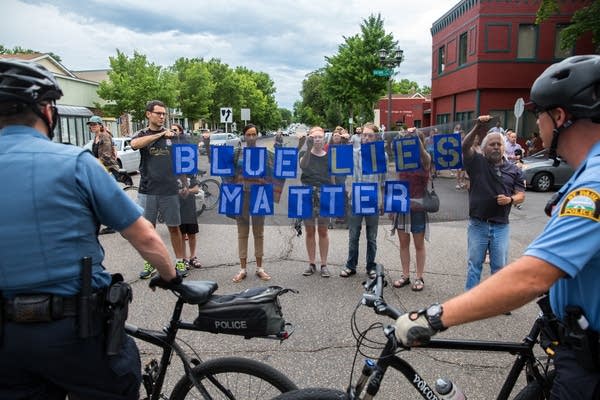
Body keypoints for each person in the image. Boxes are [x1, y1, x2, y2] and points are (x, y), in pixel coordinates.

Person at [394, 54, 600, 399]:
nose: (538, 126)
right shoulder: (585, 173)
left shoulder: (593, 185)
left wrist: (430, 318)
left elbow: (533, 275)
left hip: (588, 366)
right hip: (571, 342)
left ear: (560, 116)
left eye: (540, 115)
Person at [0, 59, 179, 399]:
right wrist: (170, 276)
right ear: (48, 112)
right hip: (74, 330)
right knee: (116, 384)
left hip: (6, 339)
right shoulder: (75, 163)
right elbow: (143, 234)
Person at [460, 118, 525, 290]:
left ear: (504, 147)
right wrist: (477, 127)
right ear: (483, 147)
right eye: (492, 144)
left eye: (499, 144)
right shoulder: (477, 163)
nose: (496, 147)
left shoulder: (514, 170)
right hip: (478, 224)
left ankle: (497, 301)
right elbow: (465, 147)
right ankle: (470, 302)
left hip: (501, 226)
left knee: (499, 268)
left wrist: (510, 199)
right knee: (474, 266)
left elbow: (521, 195)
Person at [131, 100, 189, 279]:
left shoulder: (173, 137)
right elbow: (135, 144)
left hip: (169, 189)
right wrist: (161, 134)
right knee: (148, 230)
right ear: (148, 114)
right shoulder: (142, 134)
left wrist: (185, 184)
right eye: (158, 113)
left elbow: (181, 162)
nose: (162, 116)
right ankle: (150, 263)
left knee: (174, 228)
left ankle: (180, 261)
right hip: (148, 189)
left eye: (164, 114)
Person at [226, 124, 285, 283]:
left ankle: (260, 268)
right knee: (242, 233)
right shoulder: (237, 152)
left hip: (259, 196)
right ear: (244, 136)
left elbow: (280, 165)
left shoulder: (265, 154)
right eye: (248, 134)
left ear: (257, 135)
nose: (251, 137)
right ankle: (242, 268)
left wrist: (295, 145)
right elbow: (225, 171)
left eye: (254, 134)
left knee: (259, 233)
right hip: (241, 196)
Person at [340, 123, 387, 279]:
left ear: (376, 137)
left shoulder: (382, 156)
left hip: (373, 201)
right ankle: (350, 265)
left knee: (371, 237)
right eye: (364, 135)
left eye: (370, 135)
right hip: (355, 200)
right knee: (353, 235)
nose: (366, 138)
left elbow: (383, 181)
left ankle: (370, 267)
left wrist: (383, 202)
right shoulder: (353, 153)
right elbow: (340, 167)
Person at [391, 128, 432, 291]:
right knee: (403, 243)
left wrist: (415, 138)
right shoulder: (402, 159)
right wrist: (392, 207)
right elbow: (397, 181)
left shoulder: (425, 159)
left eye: (414, 140)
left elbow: (424, 155)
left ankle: (419, 277)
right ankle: (405, 275)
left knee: (418, 244)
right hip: (402, 206)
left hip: (418, 207)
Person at [298, 126, 333, 277]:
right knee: (309, 230)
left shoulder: (329, 156)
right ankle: (311, 263)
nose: (317, 139)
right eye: (314, 137)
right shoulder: (304, 154)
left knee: (323, 230)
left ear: (324, 139)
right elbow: (303, 165)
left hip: (324, 194)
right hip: (307, 193)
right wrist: (308, 148)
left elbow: (332, 177)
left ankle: (324, 264)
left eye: (320, 137)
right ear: (310, 139)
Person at [171, 123, 202, 269]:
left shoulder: (190, 169)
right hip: (175, 204)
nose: (173, 132)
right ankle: (182, 258)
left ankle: (193, 257)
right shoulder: (171, 170)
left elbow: (196, 188)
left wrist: (187, 191)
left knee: (192, 233)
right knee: (180, 232)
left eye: (175, 130)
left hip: (188, 204)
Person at [88, 115, 121, 235]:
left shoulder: (105, 136)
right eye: (91, 125)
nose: (92, 127)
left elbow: (106, 155)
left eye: (94, 124)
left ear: (100, 125)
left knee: (106, 198)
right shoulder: (96, 137)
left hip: (107, 169)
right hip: (100, 169)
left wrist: (93, 164)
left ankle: (112, 224)